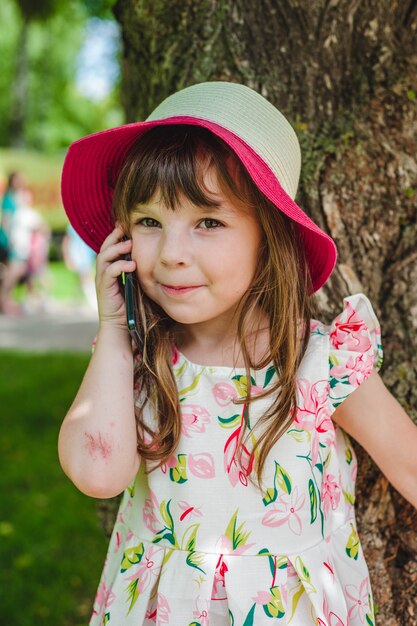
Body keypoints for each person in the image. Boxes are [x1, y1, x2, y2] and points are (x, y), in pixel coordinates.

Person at [58, 82, 417, 626]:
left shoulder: (318, 363)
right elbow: (97, 475)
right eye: (150, 222)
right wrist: (113, 329)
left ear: (268, 238)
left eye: (208, 222)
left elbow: (410, 463)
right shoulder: (134, 360)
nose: (172, 254)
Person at [62, 223, 97, 310]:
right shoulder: (71, 226)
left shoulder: (88, 223)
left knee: (83, 277)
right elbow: (66, 241)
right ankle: (91, 298)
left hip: (86, 253)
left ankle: (78, 297)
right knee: (86, 276)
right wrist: (67, 257)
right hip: (78, 254)